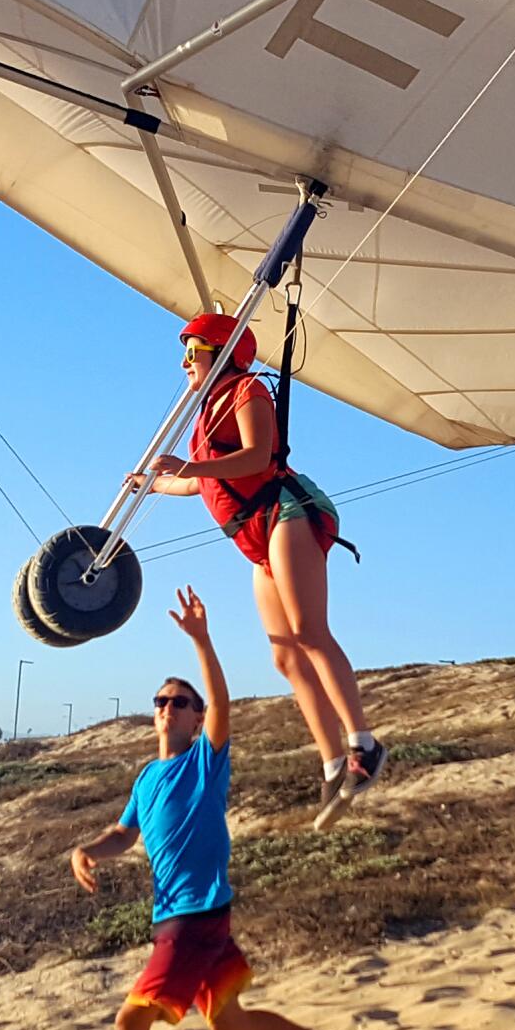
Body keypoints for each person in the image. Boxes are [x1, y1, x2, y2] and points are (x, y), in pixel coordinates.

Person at [46, 587, 414, 1030]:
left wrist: (201, 642)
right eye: (162, 700)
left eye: (180, 701)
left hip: (192, 917)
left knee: (130, 1024)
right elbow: (124, 833)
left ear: (194, 718)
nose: (169, 706)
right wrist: (88, 849)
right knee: (230, 1024)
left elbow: (222, 703)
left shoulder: (205, 761)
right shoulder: (147, 777)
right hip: (186, 916)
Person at [128, 313, 383, 831]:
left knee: (309, 632)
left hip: (285, 510)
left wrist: (191, 468)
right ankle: (334, 763)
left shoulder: (246, 390)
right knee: (285, 656)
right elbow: (201, 484)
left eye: (193, 350)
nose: (184, 363)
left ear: (219, 351)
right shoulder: (204, 415)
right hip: (257, 536)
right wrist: (154, 485)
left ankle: (365, 743)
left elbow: (257, 456)